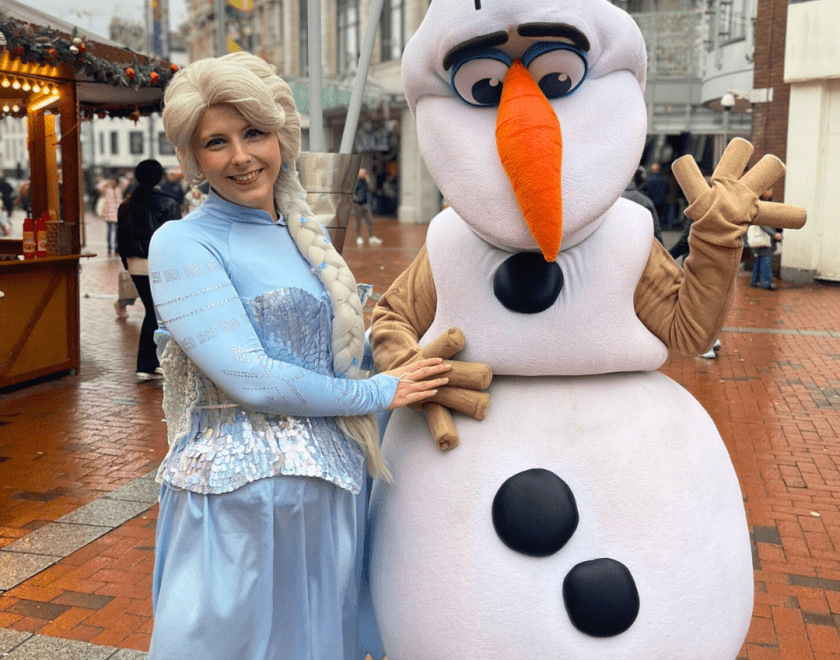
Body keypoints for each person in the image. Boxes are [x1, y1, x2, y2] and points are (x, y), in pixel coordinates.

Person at [147, 51, 450, 660]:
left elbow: (335, 357)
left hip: (331, 495)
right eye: (216, 141)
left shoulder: (302, 239)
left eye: (254, 132)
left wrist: (403, 349)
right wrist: (378, 392)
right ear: (193, 158)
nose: (240, 156)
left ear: (282, 136)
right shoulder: (180, 243)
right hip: (237, 502)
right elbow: (249, 377)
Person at [117, 159, 182, 380]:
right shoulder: (168, 203)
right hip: (159, 264)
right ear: (159, 177)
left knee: (152, 311)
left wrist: (128, 263)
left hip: (135, 264)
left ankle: (150, 364)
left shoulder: (126, 204)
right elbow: (175, 241)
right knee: (159, 314)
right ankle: (150, 364)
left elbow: (121, 240)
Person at [621, 166, 662, 244]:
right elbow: (655, 226)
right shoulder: (646, 201)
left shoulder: (611, 201)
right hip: (640, 243)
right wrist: (660, 243)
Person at [96, 174, 130, 254]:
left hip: (118, 213)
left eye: (114, 182)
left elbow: (126, 182)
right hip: (108, 213)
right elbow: (99, 186)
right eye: (111, 182)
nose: (112, 183)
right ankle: (109, 246)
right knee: (109, 231)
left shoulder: (119, 189)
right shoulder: (106, 189)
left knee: (117, 231)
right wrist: (107, 181)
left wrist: (119, 179)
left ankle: (116, 246)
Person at [352, 168, 382, 246]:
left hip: (365, 204)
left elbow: (371, 189)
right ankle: (358, 237)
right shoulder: (355, 181)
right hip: (357, 204)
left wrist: (368, 182)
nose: (363, 174)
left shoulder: (365, 181)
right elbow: (352, 192)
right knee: (358, 221)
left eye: (364, 173)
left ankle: (371, 237)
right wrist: (356, 199)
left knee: (369, 220)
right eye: (361, 173)